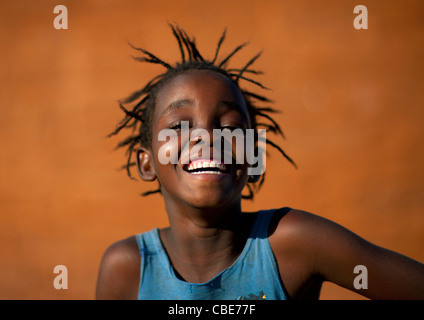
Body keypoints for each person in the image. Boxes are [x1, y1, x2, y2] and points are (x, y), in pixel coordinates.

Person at [96, 24, 424, 300]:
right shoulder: (128, 269)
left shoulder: (296, 242)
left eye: (230, 127)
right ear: (147, 163)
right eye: (180, 125)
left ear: (255, 157)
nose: (207, 137)